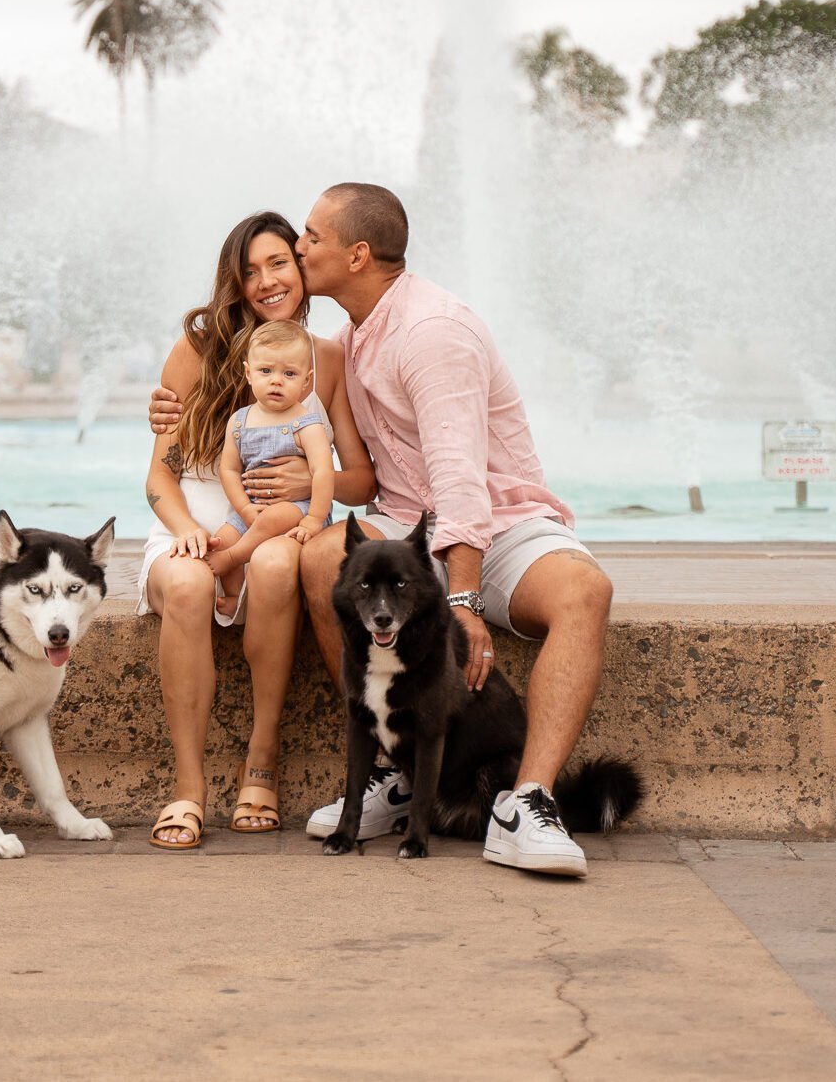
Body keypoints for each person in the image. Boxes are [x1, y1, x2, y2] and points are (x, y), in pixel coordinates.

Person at [150, 185, 614, 877]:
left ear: (356, 255)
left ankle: (528, 800)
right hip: (404, 524)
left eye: (308, 238)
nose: (299, 251)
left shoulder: (431, 333)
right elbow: (306, 431)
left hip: (499, 517)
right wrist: (171, 408)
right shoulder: (346, 339)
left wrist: (459, 600)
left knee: (584, 590)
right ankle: (396, 773)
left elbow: (460, 482)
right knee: (317, 562)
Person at [138, 211, 375, 850]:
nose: (268, 281)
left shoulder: (325, 360)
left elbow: (360, 481)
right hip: (193, 531)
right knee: (188, 586)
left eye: (279, 264)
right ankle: (188, 791)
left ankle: (260, 765)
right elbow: (159, 482)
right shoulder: (197, 351)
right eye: (250, 271)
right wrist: (188, 530)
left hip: (274, 534)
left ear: (301, 270)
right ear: (234, 283)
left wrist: (305, 485)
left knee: (275, 566)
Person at [204, 320, 335, 618]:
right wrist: (245, 510)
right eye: (266, 371)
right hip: (252, 507)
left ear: (306, 381)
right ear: (249, 373)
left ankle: (234, 558)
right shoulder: (239, 421)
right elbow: (229, 470)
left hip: (298, 508)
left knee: (271, 519)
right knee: (221, 539)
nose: (276, 381)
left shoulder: (306, 423)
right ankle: (238, 595)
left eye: (289, 373)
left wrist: (314, 518)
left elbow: (323, 472)